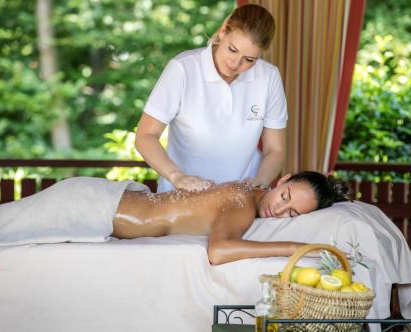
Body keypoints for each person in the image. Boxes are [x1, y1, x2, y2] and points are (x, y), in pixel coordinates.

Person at [135, 4, 287, 193]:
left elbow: (275, 149)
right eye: (232, 49)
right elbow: (145, 136)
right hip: (180, 196)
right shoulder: (183, 68)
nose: (235, 63)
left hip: (240, 199)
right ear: (223, 30)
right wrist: (178, 177)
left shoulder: (269, 77)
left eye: (249, 60)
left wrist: (260, 180)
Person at [113, 171, 351, 264]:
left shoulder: (245, 191)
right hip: (108, 209)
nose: (278, 211)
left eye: (291, 213)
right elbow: (219, 251)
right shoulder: (243, 202)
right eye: (284, 196)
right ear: (282, 180)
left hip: (118, 203)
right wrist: (296, 248)